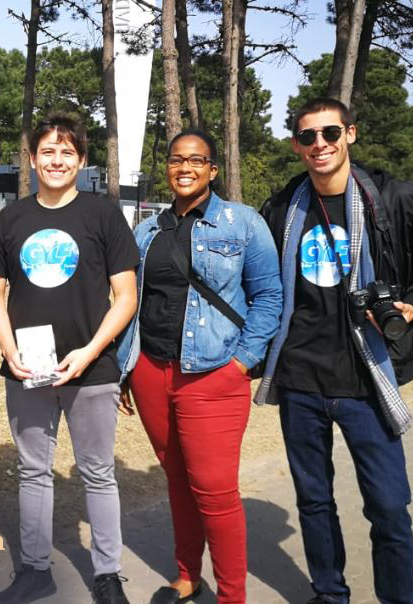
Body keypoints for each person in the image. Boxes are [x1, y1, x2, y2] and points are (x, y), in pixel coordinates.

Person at [255, 97, 413, 604]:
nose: (319, 145)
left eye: (330, 133)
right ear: (296, 146)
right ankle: (330, 595)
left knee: (390, 508)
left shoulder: (396, 200)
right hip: (300, 378)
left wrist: (411, 307)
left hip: (367, 379)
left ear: (350, 133)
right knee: (313, 501)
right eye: (307, 137)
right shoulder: (283, 206)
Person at [115, 130, 282, 604]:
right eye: (176, 159)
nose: (184, 167)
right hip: (152, 371)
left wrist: (242, 362)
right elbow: (133, 301)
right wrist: (128, 367)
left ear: (212, 170)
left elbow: (269, 297)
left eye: (196, 160)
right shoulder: (147, 230)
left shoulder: (243, 223)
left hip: (213, 374)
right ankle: (187, 576)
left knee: (214, 489)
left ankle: (232, 595)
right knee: (177, 480)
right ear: (167, 167)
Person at [0, 114, 138, 604]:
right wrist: (9, 352)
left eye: (67, 152)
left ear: (82, 160)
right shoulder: (11, 218)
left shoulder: (102, 215)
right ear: (32, 159)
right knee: (33, 469)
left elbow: (126, 296)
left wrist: (91, 350)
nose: (56, 160)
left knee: (97, 471)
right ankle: (35, 569)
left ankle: (108, 573)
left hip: (91, 367)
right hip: (28, 367)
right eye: (47, 151)